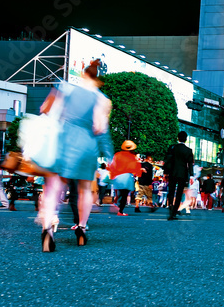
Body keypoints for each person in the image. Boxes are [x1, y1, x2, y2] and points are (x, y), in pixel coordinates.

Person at [36, 59, 114, 251]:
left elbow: (45, 110)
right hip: (87, 144)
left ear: (82, 74)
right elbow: (100, 129)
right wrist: (110, 154)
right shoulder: (103, 100)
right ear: (99, 80)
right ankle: (81, 228)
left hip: (63, 139)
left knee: (54, 186)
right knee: (85, 189)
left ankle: (48, 228)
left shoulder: (65, 88)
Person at [162, 131, 195, 221]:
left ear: (178, 138)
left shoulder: (172, 148)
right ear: (186, 139)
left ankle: (170, 209)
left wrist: (165, 173)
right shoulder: (188, 150)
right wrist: (191, 176)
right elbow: (190, 164)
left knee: (171, 191)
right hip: (182, 174)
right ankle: (174, 212)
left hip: (172, 173)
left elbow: (167, 161)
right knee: (179, 193)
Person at [108, 140, 143, 217]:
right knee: (124, 195)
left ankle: (115, 203)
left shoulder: (117, 155)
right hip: (127, 177)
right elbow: (136, 167)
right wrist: (138, 174)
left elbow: (112, 166)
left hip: (118, 177)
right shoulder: (133, 157)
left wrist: (112, 176)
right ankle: (120, 210)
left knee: (119, 193)